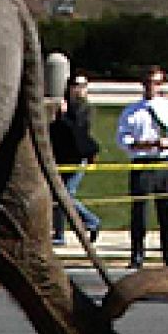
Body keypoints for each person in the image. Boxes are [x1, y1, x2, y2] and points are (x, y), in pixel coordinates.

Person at [116, 66, 168, 269]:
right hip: (141, 163)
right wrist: (137, 144)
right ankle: (137, 254)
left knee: (167, 211)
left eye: (156, 83)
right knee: (139, 212)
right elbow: (122, 137)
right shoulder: (132, 111)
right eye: (148, 83)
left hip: (162, 162)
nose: (151, 87)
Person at [50, 73, 102, 245]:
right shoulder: (63, 105)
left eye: (83, 86)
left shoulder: (85, 109)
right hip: (61, 158)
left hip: (78, 158)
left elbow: (76, 132)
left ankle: (91, 221)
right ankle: (59, 234)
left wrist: (63, 116)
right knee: (57, 195)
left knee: (67, 195)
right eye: (75, 85)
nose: (79, 90)